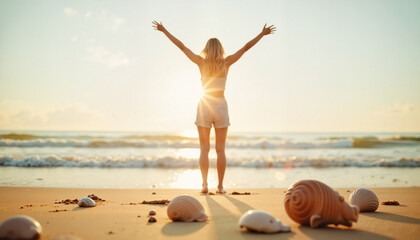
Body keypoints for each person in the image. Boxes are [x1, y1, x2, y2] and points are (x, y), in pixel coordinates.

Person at [152, 21, 275, 193]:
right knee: (220, 150)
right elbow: (246, 47)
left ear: (207, 49)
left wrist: (164, 30)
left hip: (204, 105)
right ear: (220, 49)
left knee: (204, 149)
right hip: (220, 106)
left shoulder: (201, 62)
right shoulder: (226, 63)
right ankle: (220, 186)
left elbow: (181, 46)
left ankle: (204, 185)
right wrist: (262, 34)